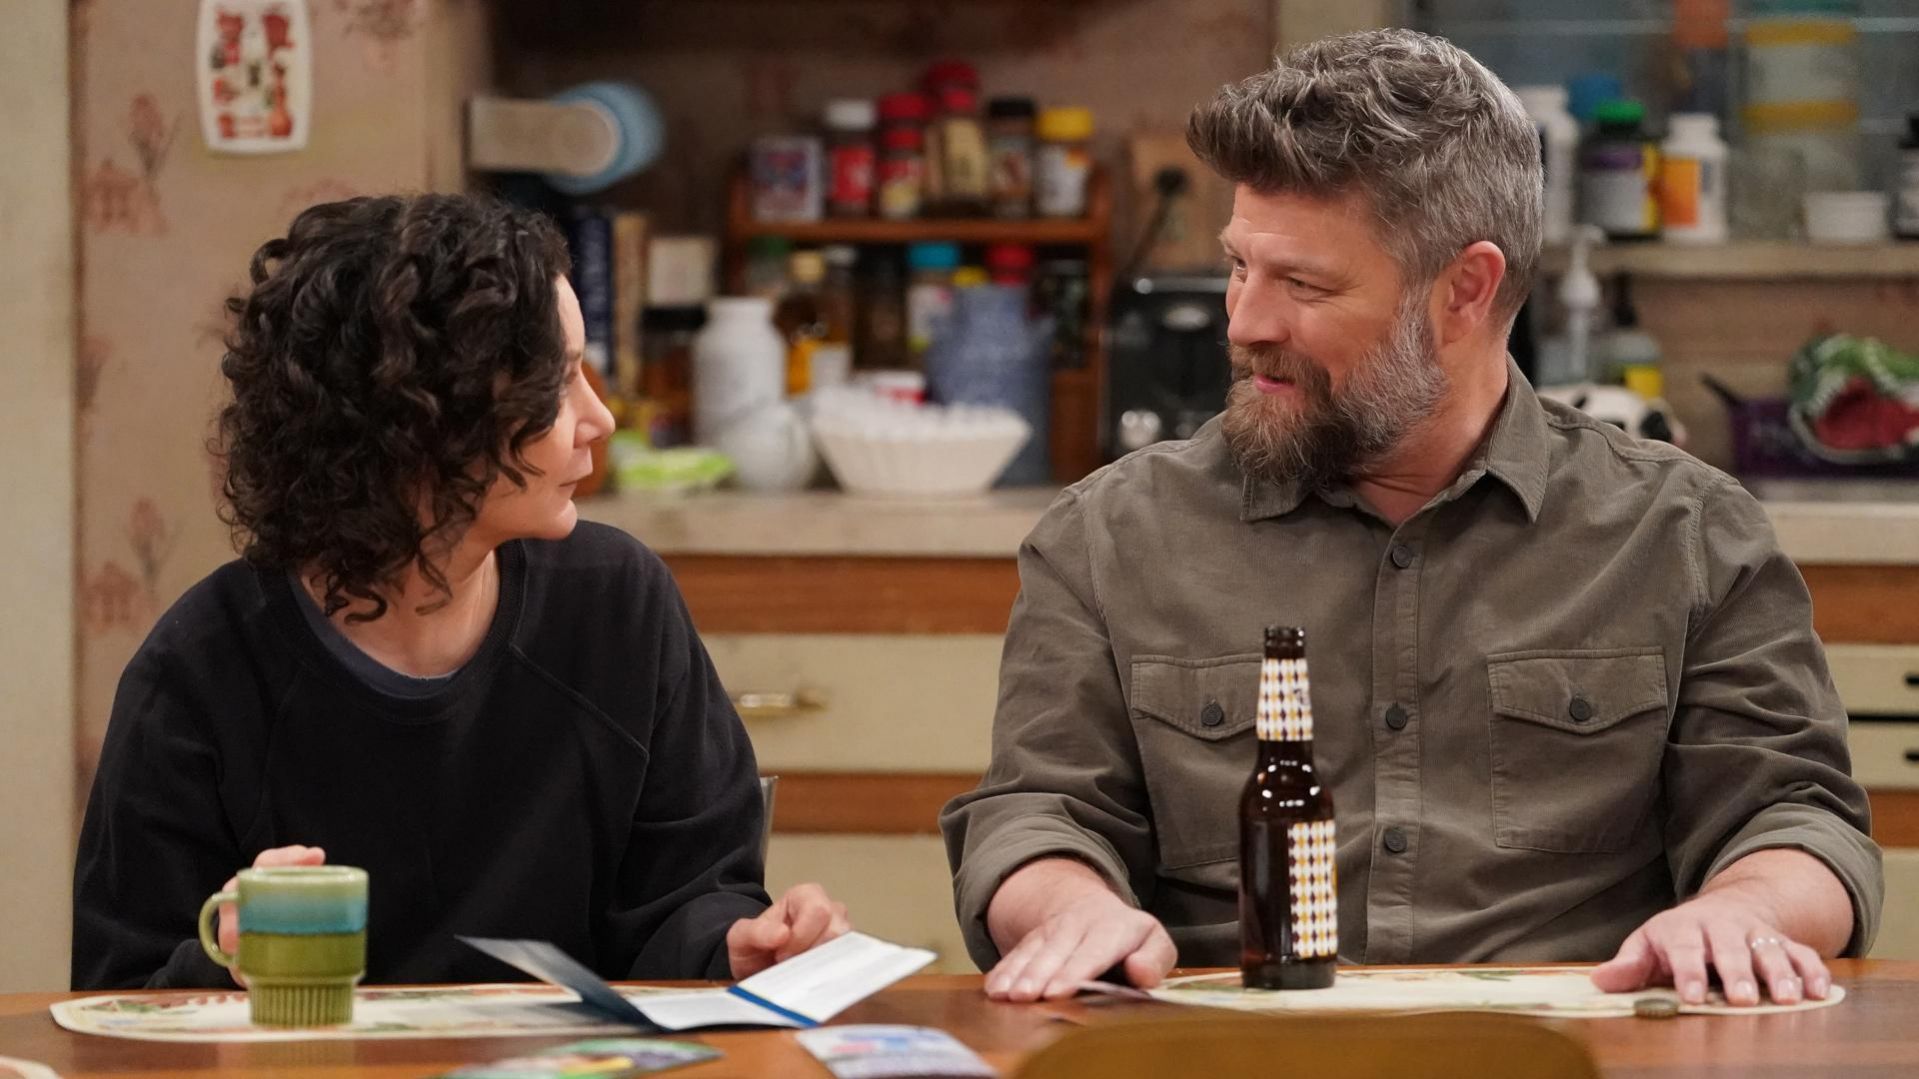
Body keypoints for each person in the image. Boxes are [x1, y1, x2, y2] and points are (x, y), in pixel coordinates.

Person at [942, 29, 1881, 1007]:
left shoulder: (1686, 535)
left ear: (1463, 290)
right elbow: (1035, 811)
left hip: (1575, 1050)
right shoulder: (1106, 537)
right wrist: (1068, 904)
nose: (1243, 321)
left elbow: (1796, 818)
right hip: (1228, 1048)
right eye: (1238, 266)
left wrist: (1743, 908)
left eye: (1302, 284)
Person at [73, 194, 849, 990]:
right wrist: (227, 960)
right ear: (423, 420)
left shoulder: (619, 605)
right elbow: (117, 1001)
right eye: (557, 381)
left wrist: (738, 944)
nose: (600, 419)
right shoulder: (199, 673)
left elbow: (688, 900)